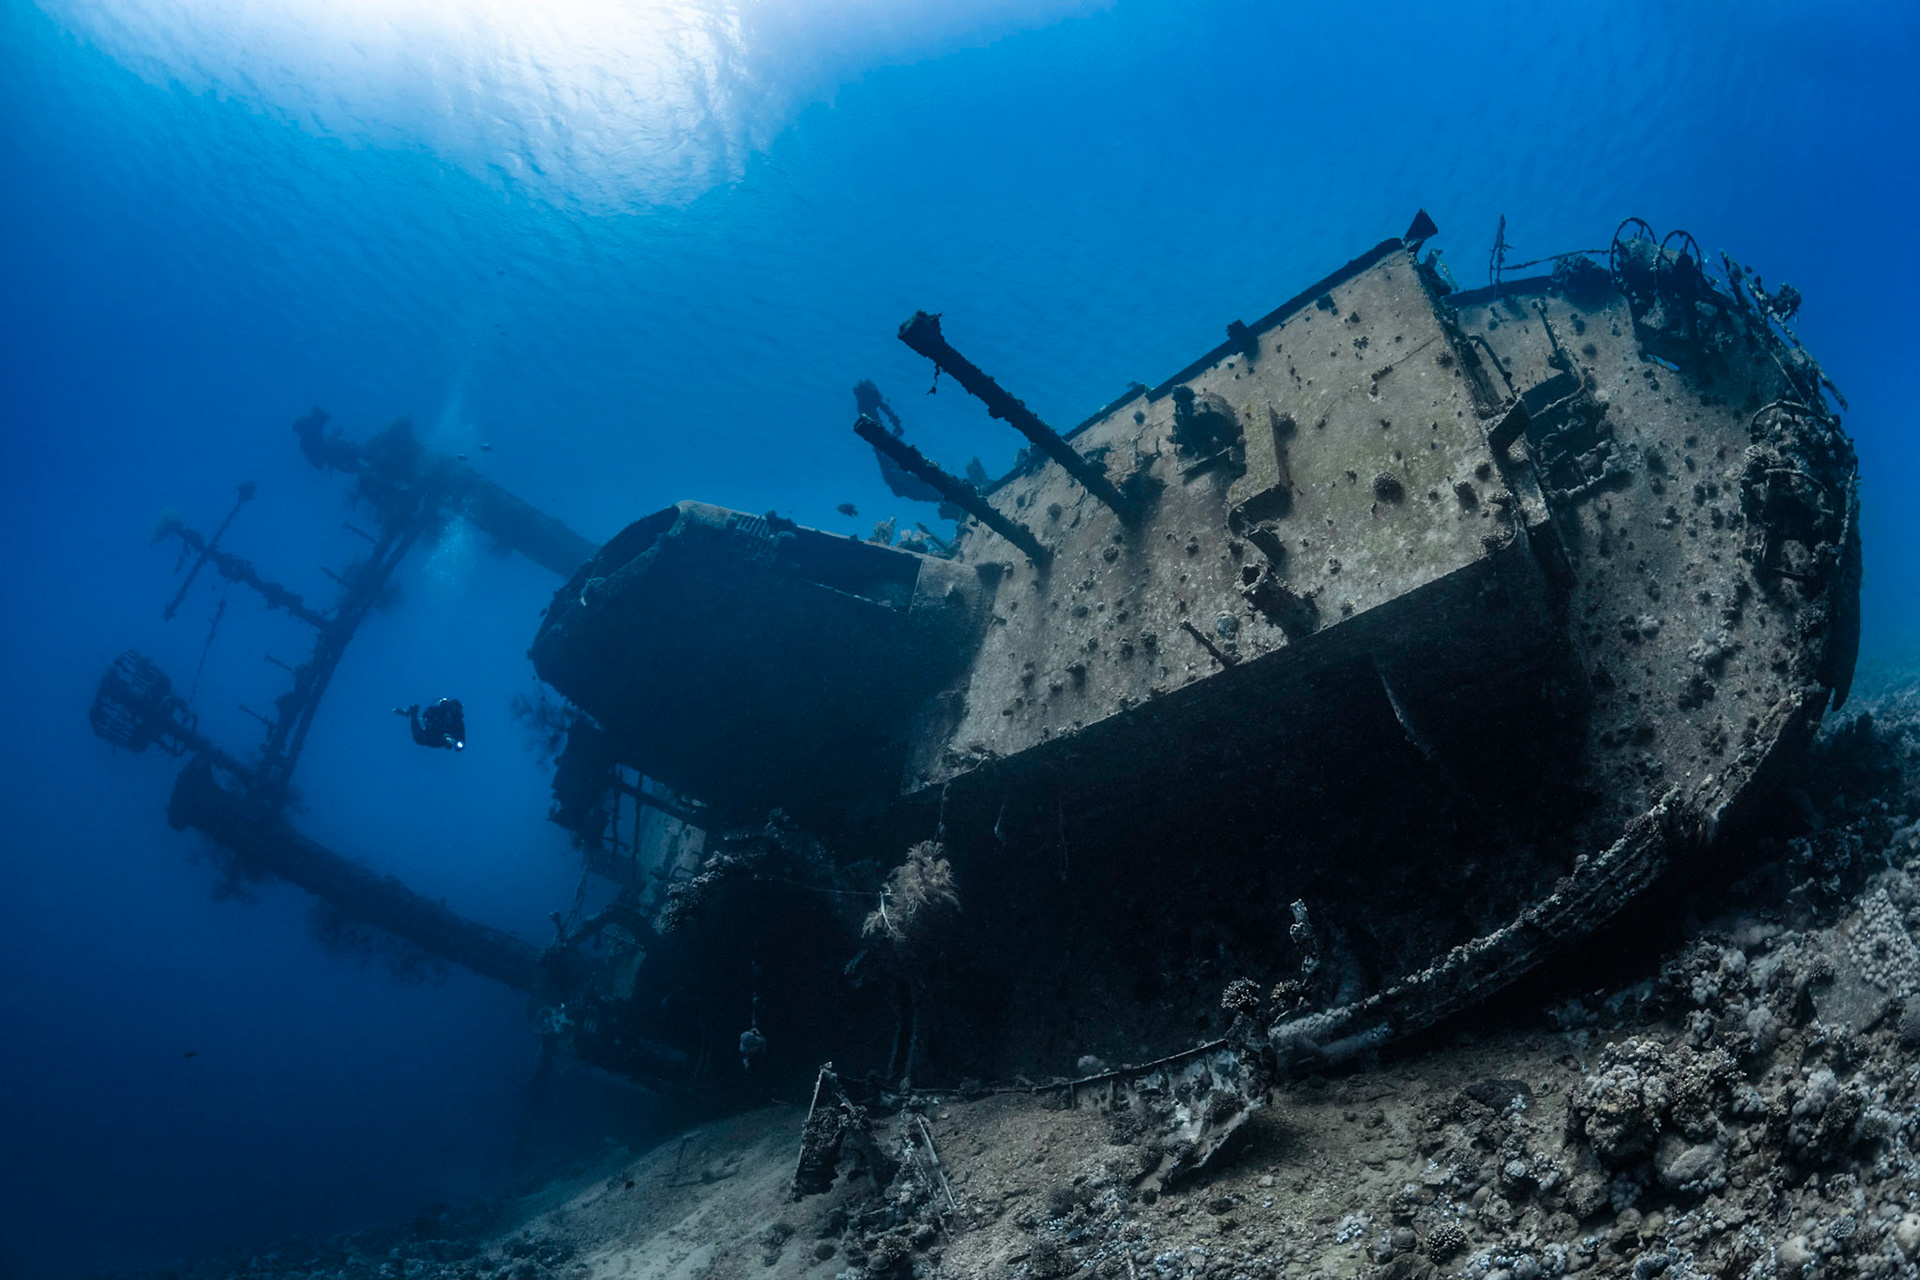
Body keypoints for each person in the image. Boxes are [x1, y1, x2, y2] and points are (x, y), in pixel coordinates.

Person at [396, 698, 465, 751]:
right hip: (430, 735)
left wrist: (453, 741)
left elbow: (461, 744)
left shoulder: (458, 723)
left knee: (419, 739)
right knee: (419, 738)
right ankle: (413, 712)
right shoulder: (435, 713)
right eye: (452, 713)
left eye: (455, 715)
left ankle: (413, 712)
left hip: (441, 740)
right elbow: (426, 717)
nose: (452, 717)